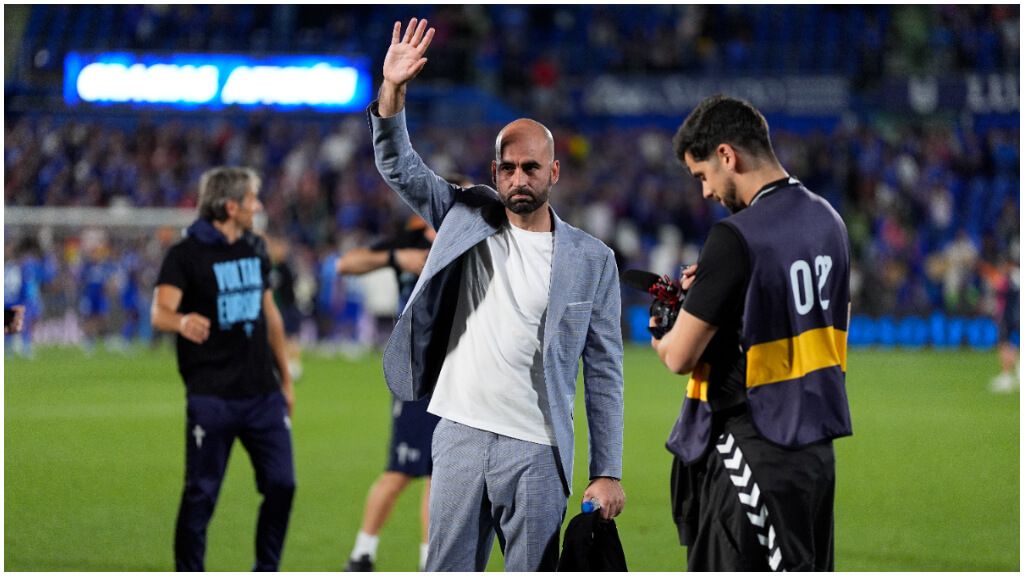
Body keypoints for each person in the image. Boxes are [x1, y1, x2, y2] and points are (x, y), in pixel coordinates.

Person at [370, 18, 626, 572]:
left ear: (554, 171)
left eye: (531, 167)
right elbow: (399, 166)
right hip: (459, 434)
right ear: (494, 171)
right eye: (507, 168)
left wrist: (607, 470)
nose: (518, 179)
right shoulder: (467, 215)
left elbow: (605, 372)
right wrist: (392, 92)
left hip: (537, 450)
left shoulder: (592, 260)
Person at [651, 95, 852, 571]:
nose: (704, 193)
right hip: (816, 456)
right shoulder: (830, 221)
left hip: (754, 449)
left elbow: (679, 355)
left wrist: (664, 324)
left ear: (727, 155)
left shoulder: (735, 236)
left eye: (702, 175)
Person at [151, 166, 296, 571]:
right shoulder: (185, 254)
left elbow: (270, 316)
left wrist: (286, 379)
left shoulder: (255, 246)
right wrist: (181, 321)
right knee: (201, 496)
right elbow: (159, 312)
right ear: (230, 206)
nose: (258, 206)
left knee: (283, 485)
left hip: (262, 393)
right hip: (211, 395)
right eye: (252, 199)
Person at [338, 214, 439, 572]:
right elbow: (346, 264)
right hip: (415, 373)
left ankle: (431, 562)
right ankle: (362, 553)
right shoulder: (408, 241)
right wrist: (396, 259)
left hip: (459, 374)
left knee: (440, 474)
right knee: (399, 472)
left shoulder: (469, 240)